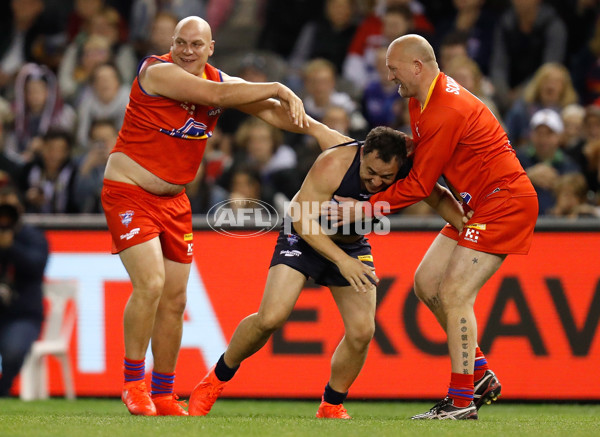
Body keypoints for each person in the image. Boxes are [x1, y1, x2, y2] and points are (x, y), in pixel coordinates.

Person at [100, 15, 312, 417]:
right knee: (151, 284)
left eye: (196, 45)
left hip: (175, 201)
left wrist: (324, 135)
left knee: (176, 299)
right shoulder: (156, 70)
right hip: (129, 192)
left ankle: (163, 392)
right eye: (180, 42)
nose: (186, 50)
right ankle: (133, 384)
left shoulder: (217, 79)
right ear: (171, 43)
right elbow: (218, 96)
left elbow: (267, 111)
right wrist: (280, 87)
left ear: (210, 48)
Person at [187, 125, 470, 419]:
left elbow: (436, 196)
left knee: (362, 332)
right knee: (271, 317)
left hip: (351, 242)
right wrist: (342, 261)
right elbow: (302, 220)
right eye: (370, 172)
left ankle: (331, 404)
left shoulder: (406, 170)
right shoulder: (334, 163)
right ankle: (214, 380)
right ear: (362, 154)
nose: (375, 182)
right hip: (303, 235)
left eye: (385, 177)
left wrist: (470, 228)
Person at [330, 34, 538, 420]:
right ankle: (478, 375)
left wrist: (363, 209)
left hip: (504, 201)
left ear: (416, 66)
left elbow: (421, 185)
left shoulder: (444, 109)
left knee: (455, 293)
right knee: (426, 283)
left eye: (394, 69)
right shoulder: (420, 101)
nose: (390, 76)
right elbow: (428, 163)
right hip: (479, 201)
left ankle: (461, 402)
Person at [0, 182, 49, 396]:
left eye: (10, 208)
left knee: (13, 350)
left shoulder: (33, 237)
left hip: (23, 315)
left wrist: (11, 247)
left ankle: (3, 389)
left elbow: (36, 265)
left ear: (20, 209)